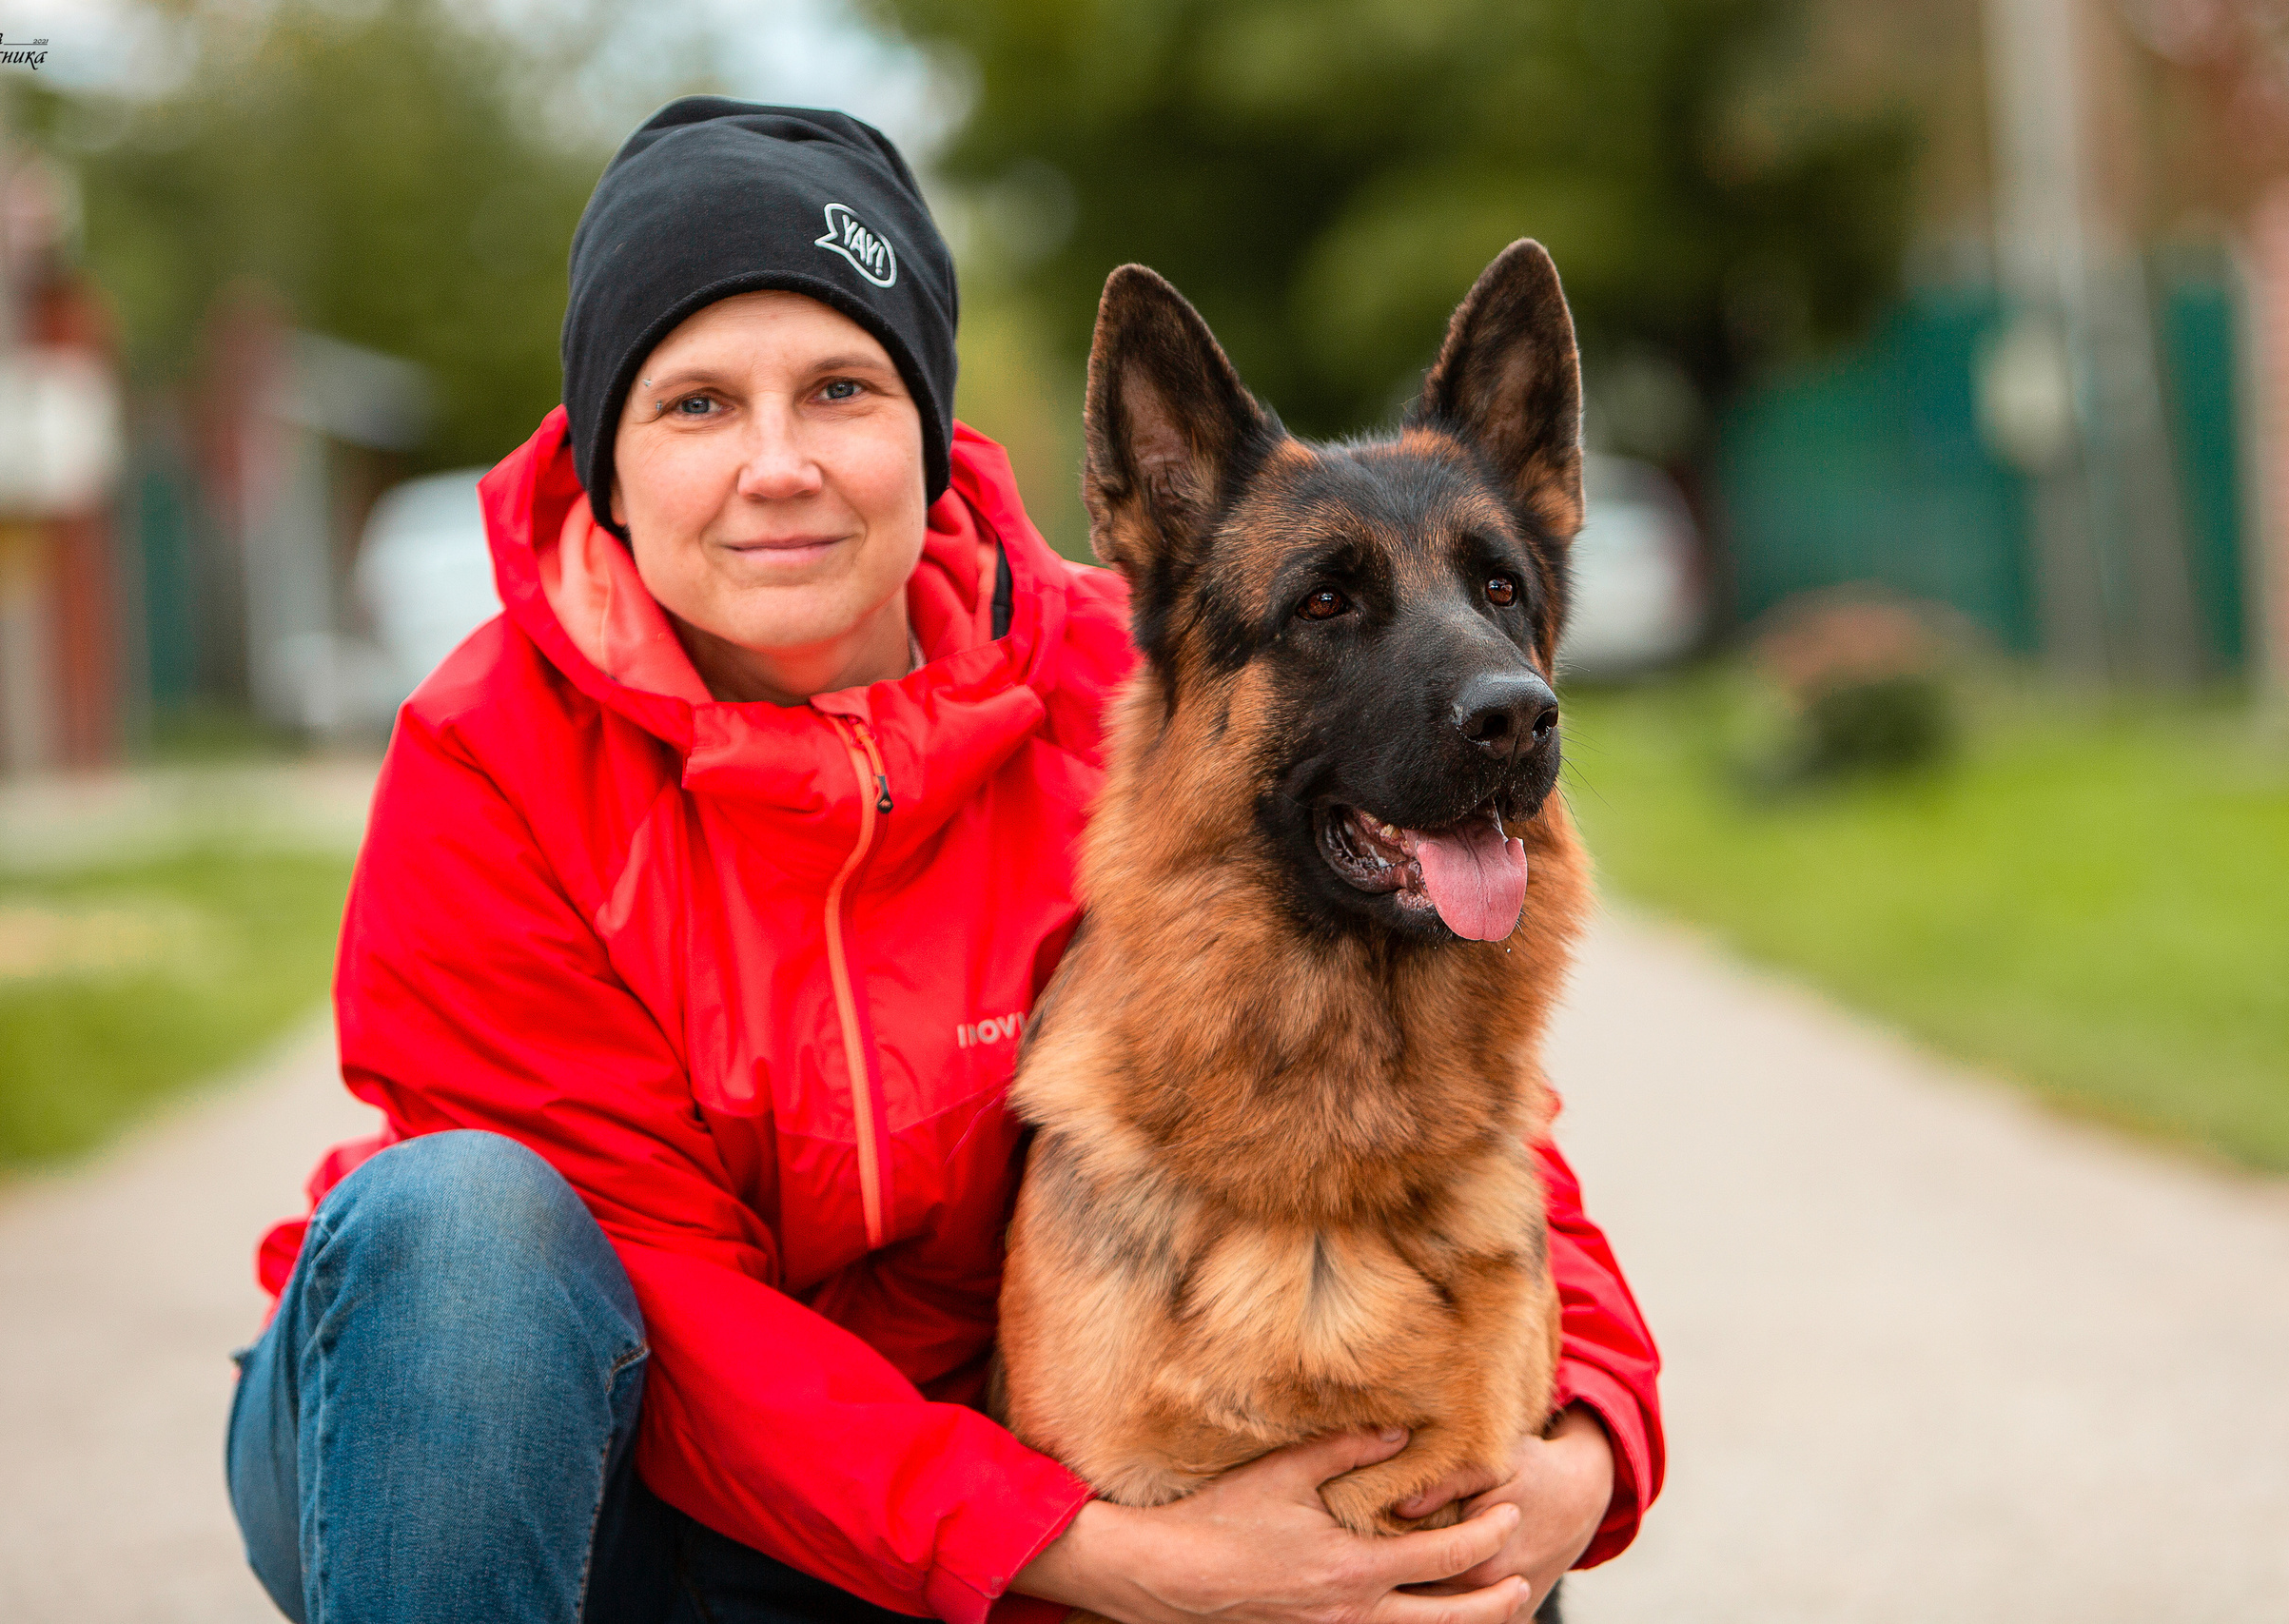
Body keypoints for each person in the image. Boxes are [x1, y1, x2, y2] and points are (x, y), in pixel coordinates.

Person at [225, 97, 1663, 1624]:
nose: (777, 464)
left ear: (926, 423)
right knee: (459, 1229)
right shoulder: (488, 762)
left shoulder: (1121, 696)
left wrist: (1589, 1435)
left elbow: (1433, 1113)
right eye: (698, 404)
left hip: (955, 1485)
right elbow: (687, 1315)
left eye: (841, 387)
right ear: (605, 458)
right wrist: (1108, 1560)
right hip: (584, 1472)